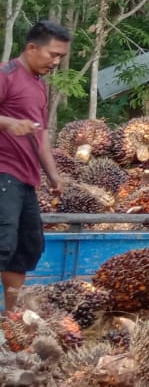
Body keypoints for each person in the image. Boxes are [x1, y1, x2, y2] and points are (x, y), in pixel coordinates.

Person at [0, 21, 69, 310]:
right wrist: (8, 122)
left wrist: (53, 175)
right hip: (3, 172)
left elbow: (40, 135)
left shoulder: (39, 87)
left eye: (60, 57)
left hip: (26, 179)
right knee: (2, 243)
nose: (56, 62)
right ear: (31, 48)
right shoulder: (6, 76)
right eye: (53, 55)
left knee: (28, 246)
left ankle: (13, 316)